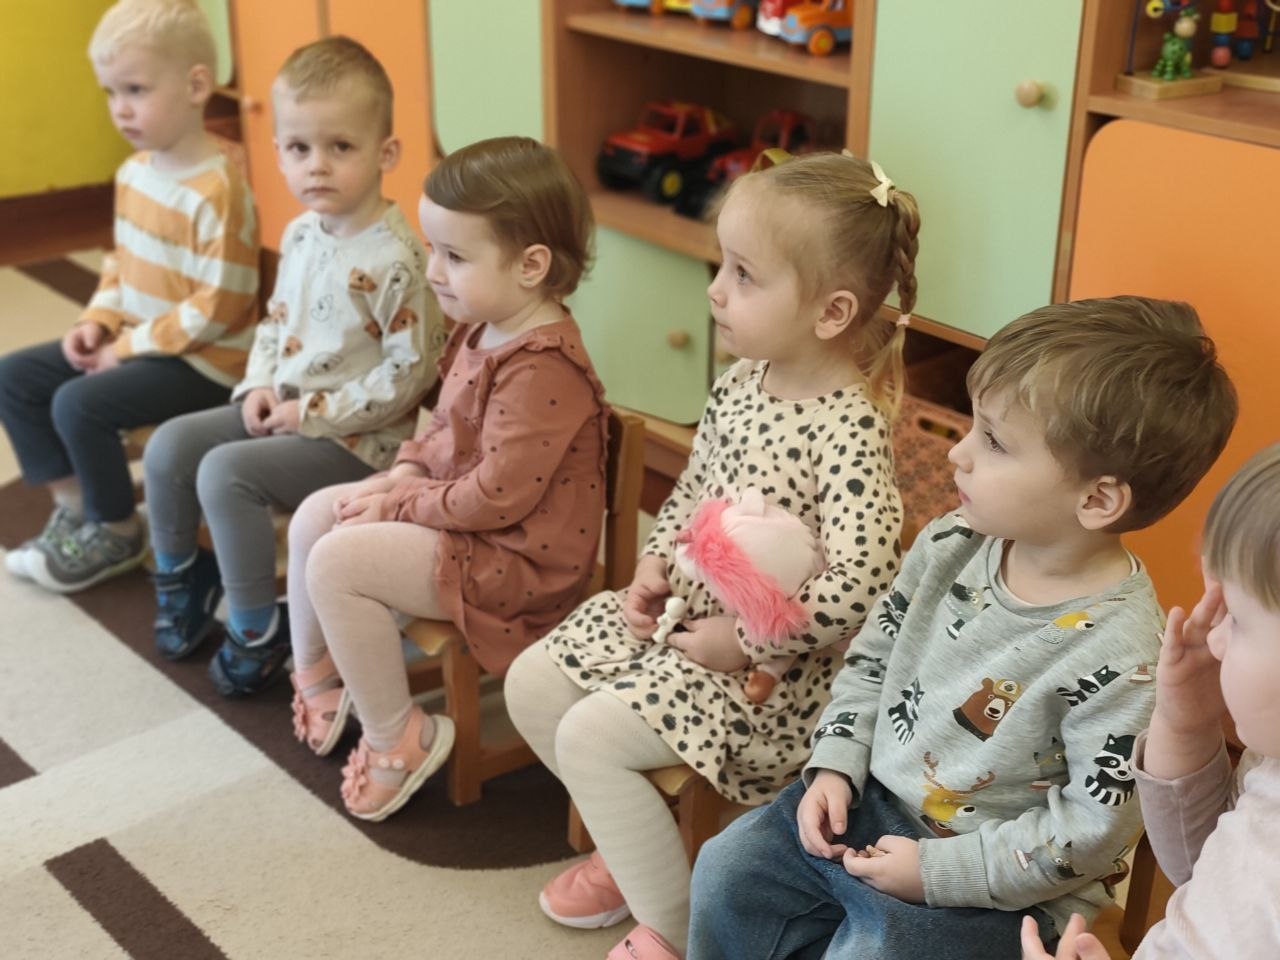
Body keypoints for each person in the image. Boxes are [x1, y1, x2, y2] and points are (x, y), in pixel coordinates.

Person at [687, 296, 1238, 960]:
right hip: (870, 801)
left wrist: (936, 872)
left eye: (995, 441)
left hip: (1001, 882)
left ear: (1096, 499)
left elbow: (1090, 832)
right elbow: (872, 660)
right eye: (973, 426)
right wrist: (834, 763)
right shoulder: (953, 541)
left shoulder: (1126, 656)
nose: (959, 453)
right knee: (727, 869)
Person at [506, 150, 920, 960]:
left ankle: (678, 932)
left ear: (831, 312)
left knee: (590, 736)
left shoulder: (848, 429)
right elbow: (693, 491)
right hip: (684, 619)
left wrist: (747, 640)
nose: (715, 290)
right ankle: (633, 846)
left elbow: (864, 584)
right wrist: (655, 564)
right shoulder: (739, 383)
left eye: (744, 275)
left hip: (769, 680)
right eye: (721, 265)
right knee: (532, 684)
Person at [285, 136, 607, 821]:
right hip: (464, 519)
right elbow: (440, 428)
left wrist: (400, 503)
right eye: (433, 249)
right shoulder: (482, 324)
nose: (432, 271)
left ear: (531, 266)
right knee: (317, 516)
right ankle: (320, 675)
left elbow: (496, 497)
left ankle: (398, 739)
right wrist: (400, 473)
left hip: (517, 556)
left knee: (338, 563)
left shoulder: (541, 365)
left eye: (454, 257)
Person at [140, 35, 440, 696]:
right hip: (285, 410)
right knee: (169, 447)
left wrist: (310, 411)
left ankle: (256, 626)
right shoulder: (302, 232)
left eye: (341, 146)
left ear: (386, 153)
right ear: (278, 152)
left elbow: (410, 374)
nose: (317, 167)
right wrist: (256, 385)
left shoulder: (397, 259)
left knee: (225, 473)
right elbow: (275, 323)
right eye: (300, 149)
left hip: (358, 444)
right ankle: (183, 581)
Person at [0, 0, 259, 593]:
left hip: (208, 363)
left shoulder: (219, 190)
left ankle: (117, 530)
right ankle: (78, 511)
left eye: (136, 90)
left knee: (78, 404)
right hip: (142, 341)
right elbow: (120, 266)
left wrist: (126, 349)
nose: (120, 108)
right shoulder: (134, 173)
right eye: (110, 92)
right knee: (14, 378)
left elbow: (218, 308)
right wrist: (96, 322)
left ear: (196, 86)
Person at [1021, 444, 1280, 959]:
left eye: (1238, 620)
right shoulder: (1269, 763)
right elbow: (1195, 867)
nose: (1216, 640)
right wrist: (1185, 724)